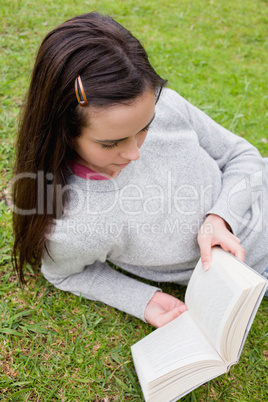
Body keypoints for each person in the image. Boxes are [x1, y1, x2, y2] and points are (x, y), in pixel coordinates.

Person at [12, 12, 268, 328]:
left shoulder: (167, 106)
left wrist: (221, 217)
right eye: (110, 143)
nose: (135, 153)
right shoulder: (75, 226)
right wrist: (142, 299)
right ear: (63, 130)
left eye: (145, 127)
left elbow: (242, 155)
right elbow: (61, 273)